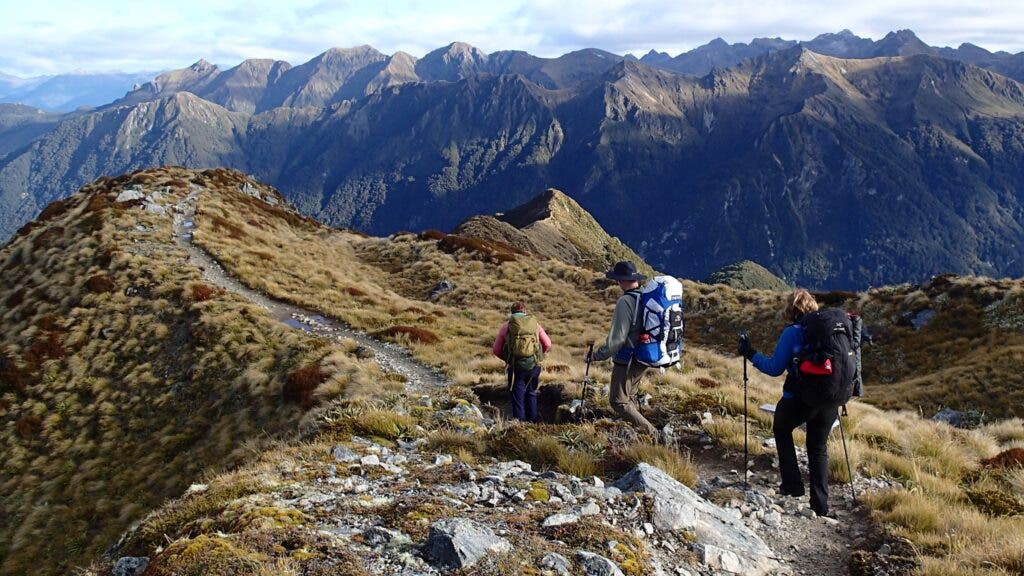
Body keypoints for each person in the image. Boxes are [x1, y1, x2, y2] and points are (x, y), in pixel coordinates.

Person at [738, 289, 837, 517]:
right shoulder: (831, 330)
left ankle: (793, 486)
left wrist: (750, 352)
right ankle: (821, 506)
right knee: (818, 447)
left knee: (782, 429)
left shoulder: (793, 332)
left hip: (800, 398)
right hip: (830, 398)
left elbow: (774, 368)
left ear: (792, 310)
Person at [590, 261, 660, 441]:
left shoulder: (625, 301)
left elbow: (618, 338)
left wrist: (597, 355)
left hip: (627, 358)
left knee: (618, 401)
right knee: (630, 395)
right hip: (644, 354)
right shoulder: (644, 297)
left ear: (621, 280)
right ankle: (636, 434)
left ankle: (652, 434)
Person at [492, 302, 552, 422]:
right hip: (534, 365)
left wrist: (508, 359)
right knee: (531, 392)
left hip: (515, 368)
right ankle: (534, 420)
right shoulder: (535, 325)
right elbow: (548, 344)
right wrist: (538, 356)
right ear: (524, 311)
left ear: (512, 312)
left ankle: (519, 423)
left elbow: (496, 350)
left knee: (517, 395)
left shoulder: (507, 326)